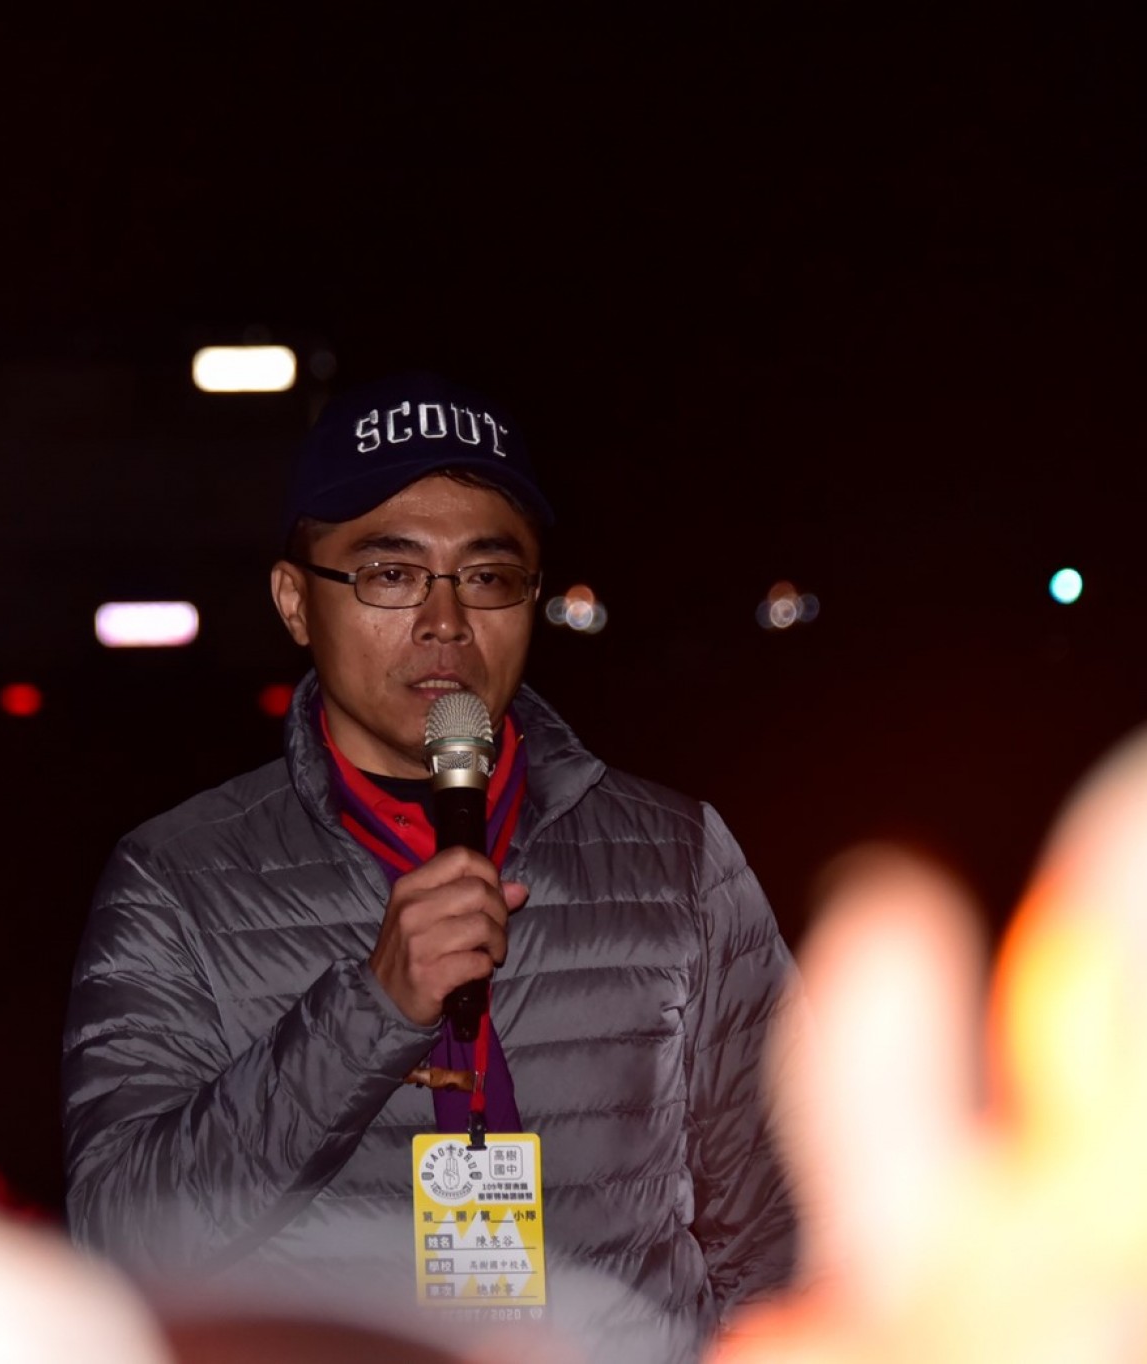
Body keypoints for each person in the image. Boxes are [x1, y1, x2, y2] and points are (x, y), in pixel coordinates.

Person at [63, 372, 800, 1361]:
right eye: (390, 573)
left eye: (487, 576)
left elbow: (783, 1227)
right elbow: (120, 1241)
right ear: (295, 600)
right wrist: (368, 1011)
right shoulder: (177, 878)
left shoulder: (677, 855)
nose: (445, 618)